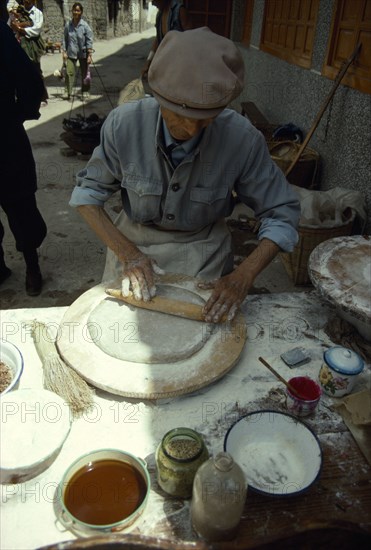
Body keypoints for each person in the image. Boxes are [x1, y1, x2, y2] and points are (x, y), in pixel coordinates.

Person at [70, 27, 300, 323]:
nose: (191, 130)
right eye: (178, 115)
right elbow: (87, 196)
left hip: (202, 250)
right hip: (132, 243)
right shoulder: (123, 125)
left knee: (201, 341)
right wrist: (127, 253)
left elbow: (282, 214)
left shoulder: (243, 139)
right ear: (157, 97)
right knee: (119, 331)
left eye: (206, 119)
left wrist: (243, 275)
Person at [0, 17, 47, 295]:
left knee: (20, 206)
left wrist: (17, 115)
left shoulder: (1, 36)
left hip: (4, 139)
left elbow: (28, 79)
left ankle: (32, 266)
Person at [9, 0, 48, 103]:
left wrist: (20, 28)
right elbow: (11, 25)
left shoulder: (37, 13)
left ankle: (42, 96)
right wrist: (19, 26)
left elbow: (36, 29)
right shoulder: (18, 11)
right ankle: (26, 97)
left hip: (33, 45)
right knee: (22, 71)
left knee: (35, 70)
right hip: (21, 43)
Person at [142, 0, 192, 79]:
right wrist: (148, 61)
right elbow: (158, 39)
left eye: (154, 0)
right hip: (166, 64)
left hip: (180, 65)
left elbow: (191, 39)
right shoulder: (160, 14)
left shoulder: (180, 11)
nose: (152, 3)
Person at [62, 2, 94, 101]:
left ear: (81, 12)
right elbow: (65, 39)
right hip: (71, 52)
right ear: (72, 11)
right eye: (74, 10)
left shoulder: (85, 26)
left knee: (85, 73)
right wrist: (64, 51)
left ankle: (85, 91)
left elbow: (89, 40)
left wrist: (89, 55)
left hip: (83, 53)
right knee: (69, 72)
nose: (76, 12)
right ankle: (68, 92)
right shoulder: (68, 25)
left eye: (78, 10)